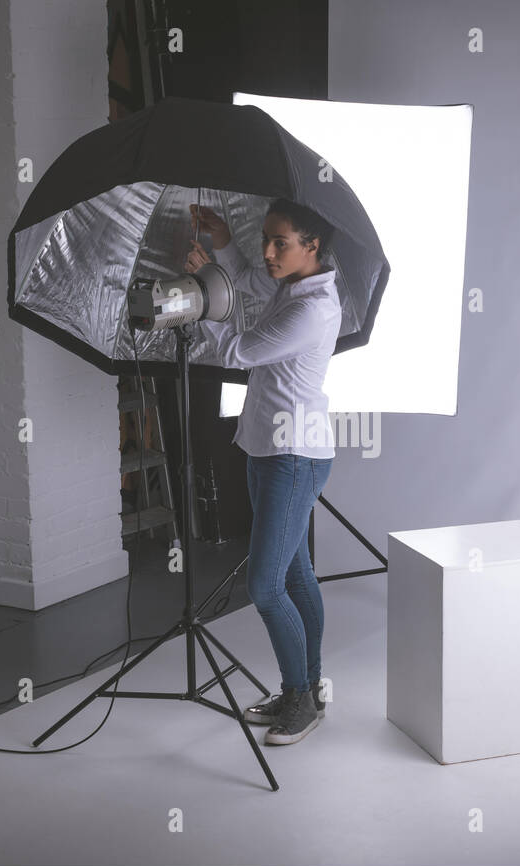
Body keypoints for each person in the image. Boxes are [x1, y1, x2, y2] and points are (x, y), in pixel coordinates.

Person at [184, 198, 340, 746]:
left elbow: (240, 351)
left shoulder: (311, 309)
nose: (268, 252)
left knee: (266, 586)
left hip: (294, 456)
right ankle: (308, 688)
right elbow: (250, 281)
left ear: (312, 245)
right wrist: (224, 243)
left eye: (280, 243)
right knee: (295, 575)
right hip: (266, 448)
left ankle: (301, 697)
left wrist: (196, 300)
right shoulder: (292, 284)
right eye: (267, 239)